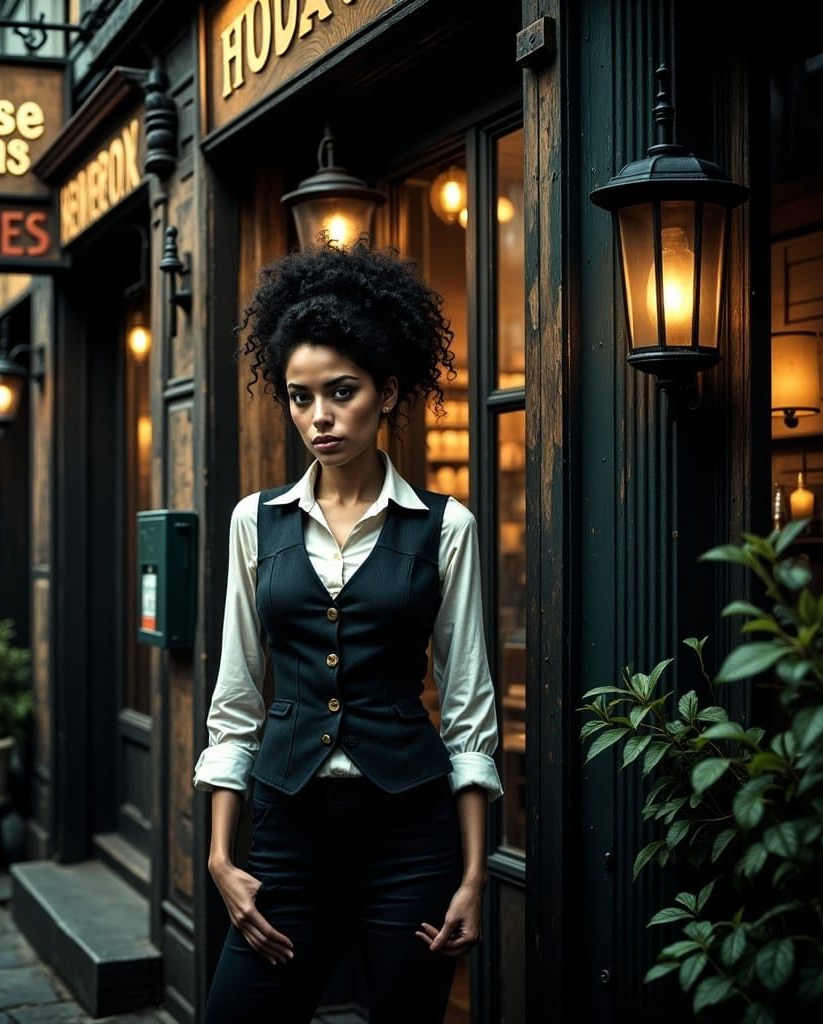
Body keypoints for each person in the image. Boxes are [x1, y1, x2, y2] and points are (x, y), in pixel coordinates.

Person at [193, 241, 502, 1024]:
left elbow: (468, 709)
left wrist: (472, 874)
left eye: (341, 392)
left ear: (389, 391)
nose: (319, 417)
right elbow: (236, 698)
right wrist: (222, 857)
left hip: (410, 834)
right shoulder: (253, 523)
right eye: (300, 398)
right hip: (290, 827)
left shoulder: (445, 527)